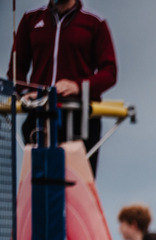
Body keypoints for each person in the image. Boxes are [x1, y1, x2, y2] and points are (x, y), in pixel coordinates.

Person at [7, 0, 118, 176]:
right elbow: (15, 69)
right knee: (39, 187)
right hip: (39, 117)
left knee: (78, 188)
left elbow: (109, 72)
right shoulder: (31, 19)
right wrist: (26, 92)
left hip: (80, 119)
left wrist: (77, 86)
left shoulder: (94, 22)